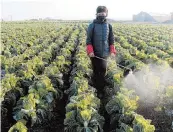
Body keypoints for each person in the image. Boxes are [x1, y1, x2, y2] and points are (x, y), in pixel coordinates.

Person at [86, 6, 116, 98]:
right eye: (100, 13)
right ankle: (96, 89)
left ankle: (101, 91)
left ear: (106, 14)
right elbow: (88, 40)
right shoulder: (92, 26)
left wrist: (112, 51)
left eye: (103, 13)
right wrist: (90, 51)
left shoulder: (109, 26)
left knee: (103, 71)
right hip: (94, 54)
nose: (102, 15)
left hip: (105, 54)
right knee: (96, 71)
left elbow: (111, 39)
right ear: (97, 14)